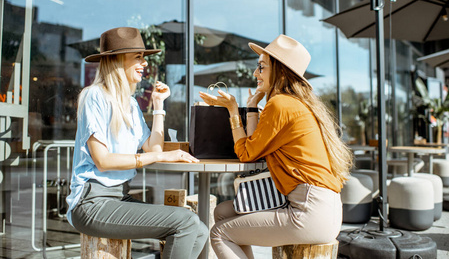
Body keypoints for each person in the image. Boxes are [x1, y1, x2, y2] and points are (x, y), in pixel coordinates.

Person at [199, 34, 353, 259]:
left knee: (219, 233)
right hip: (321, 208)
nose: (255, 73)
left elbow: (245, 153)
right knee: (222, 212)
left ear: (280, 71)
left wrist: (233, 111)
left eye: (261, 67)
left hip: (308, 211)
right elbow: (253, 149)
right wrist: (251, 109)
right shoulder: (294, 103)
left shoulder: (280, 104)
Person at [66, 27, 208, 259]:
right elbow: (102, 161)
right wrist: (158, 157)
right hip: (91, 203)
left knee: (199, 230)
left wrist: (159, 105)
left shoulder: (131, 105)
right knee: (186, 222)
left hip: (118, 197)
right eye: (138, 57)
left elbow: (154, 148)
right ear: (117, 60)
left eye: (144, 57)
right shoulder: (95, 96)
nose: (144, 63)